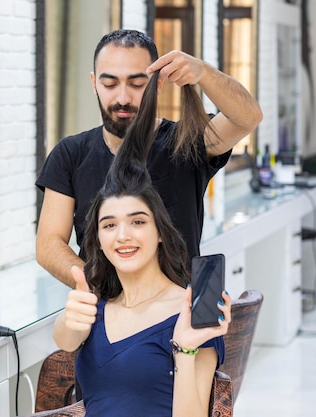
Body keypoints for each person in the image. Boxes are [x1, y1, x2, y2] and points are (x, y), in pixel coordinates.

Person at [52, 71, 232, 416]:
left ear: (160, 231)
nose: (123, 235)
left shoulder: (190, 314)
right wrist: (68, 319)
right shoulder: (97, 305)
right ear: (99, 241)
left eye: (137, 222)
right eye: (109, 225)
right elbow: (65, 340)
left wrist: (185, 349)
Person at [35, 29, 263, 289]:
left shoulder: (186, 143)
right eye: (109, 84)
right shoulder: (70, 154)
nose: (122, 98)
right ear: (94, 83)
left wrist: (203, 73)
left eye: (137, 84)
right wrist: (98, 290)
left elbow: (248, 117)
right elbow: (48, 244)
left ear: (158, 84)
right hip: (106, 317)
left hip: (178, 319)